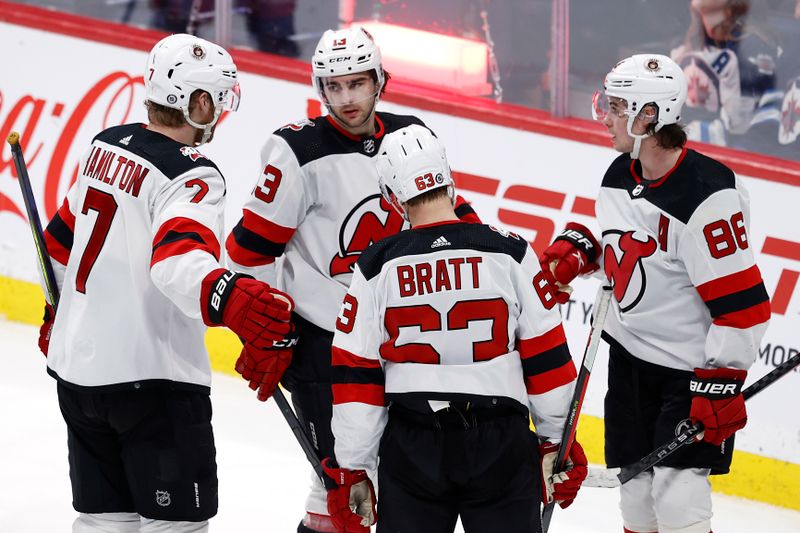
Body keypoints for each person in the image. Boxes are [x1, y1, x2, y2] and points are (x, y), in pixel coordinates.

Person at [225, 26, 481, 533]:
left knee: (395, 477)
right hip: (326, 343)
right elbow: (248, 253)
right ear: (320, 88)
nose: (346, 99)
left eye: (357, 84)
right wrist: (265, 329)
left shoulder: (412, 136)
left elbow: (456, 224)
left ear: (379, 81)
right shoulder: (295, 150)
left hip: (402, 340)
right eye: (335, 86)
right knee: (338, 487)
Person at [37, 34, 294, 532]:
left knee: (100, 524)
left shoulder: (104, 144)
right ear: (198, 102)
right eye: (217, 99)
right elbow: (177, 261)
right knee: (176, 528)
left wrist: (57, 314)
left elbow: (59, 243)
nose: (220, 111)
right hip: (151, 384)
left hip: (79, 376)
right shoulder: (193, 175)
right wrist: (231, 295)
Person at [542, 54, 771, 533]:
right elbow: (633, 258)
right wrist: (584, 255)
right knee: (637, 502)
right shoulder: (618, 175)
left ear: (650, 115)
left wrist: (721, 381)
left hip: (686, 375)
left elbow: (744, 307)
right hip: (629, 364)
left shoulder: (707, 197)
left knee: (679, 503)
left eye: (616, 106)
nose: (605, 114)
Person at [320, 124, 588, 533]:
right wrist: (557, 440)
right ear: (449, 179)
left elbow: (356, 372)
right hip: (501, 442)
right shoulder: (511, 250)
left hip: (414, 445)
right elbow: (547, 357)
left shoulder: (376, 264)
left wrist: (356, 467)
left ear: (392, 195)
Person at [670, 0, 784, 153]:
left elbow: (741, 128)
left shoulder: (752, 46)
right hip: (679, 148)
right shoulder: (689, 37)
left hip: (711, 157)